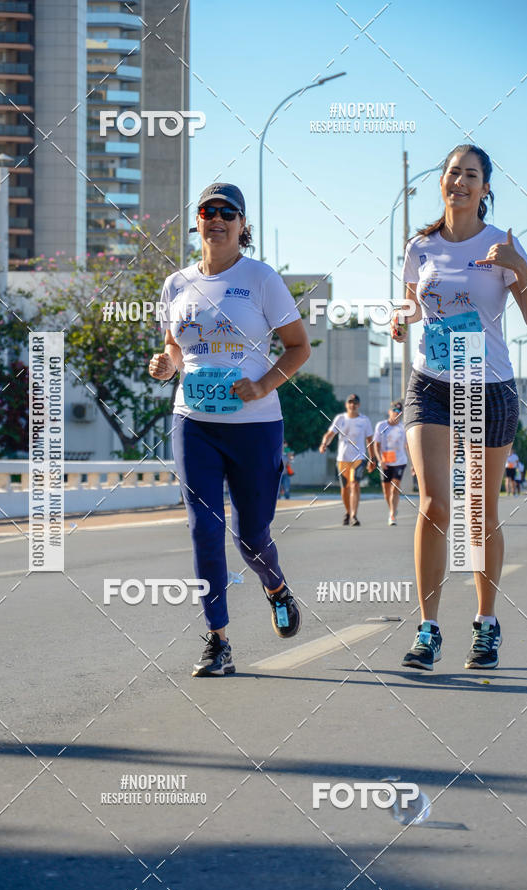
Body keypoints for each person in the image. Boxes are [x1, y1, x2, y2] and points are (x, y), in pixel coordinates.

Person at [391, 144, 527, 671]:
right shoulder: (420, 246)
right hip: (432, 383)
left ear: (485, 189)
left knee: (479, 512)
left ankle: (485, 624)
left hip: (488, 386)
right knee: (436, 504)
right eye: (453, 172)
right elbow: (415, 302)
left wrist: (520, 268)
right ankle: (428, 628)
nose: (459, 181)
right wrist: (401, 316)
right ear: (442, 182)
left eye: (471, 175)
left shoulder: (501, 244)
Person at [149, 183, 311, 677]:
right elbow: (176, 352)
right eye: (207, 211)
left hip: (254, 426)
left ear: (242, 226)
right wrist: (164, 366)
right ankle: (217, 641)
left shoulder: (260, 279)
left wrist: (263, 386)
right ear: (196, 221)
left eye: (228, 212)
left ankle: (276, 587)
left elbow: (298, 347)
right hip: (193, 422)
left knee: (250, 536)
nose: (216, 218)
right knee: (204, 530)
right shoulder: (175, 285)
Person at [319, 394, 373, 526]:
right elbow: (330, 434)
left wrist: (372, 459)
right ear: (346, 405)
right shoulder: (340, 419)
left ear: (358, 405)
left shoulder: (364, 420)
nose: (352, 405)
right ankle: (348, 512)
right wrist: (324, 444)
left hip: (358, 458)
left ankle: (354, 515)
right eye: (350, 402)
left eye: (355, 403)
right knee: (345, 488)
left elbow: (369, 440)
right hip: (342, 458)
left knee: (354, 484)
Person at [373, 400, 408, 525]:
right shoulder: (381, 426)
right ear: (389, 412)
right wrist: (380, 459)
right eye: (395, 411)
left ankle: (392, 515)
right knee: (386, 491)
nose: (397, 413)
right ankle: (392, 508)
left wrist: (414, 464)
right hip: (385, 461)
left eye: (399, 411)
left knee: (395, 489)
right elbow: (376, 445)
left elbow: (407, 446)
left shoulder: (403, 428)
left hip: (400, 461)